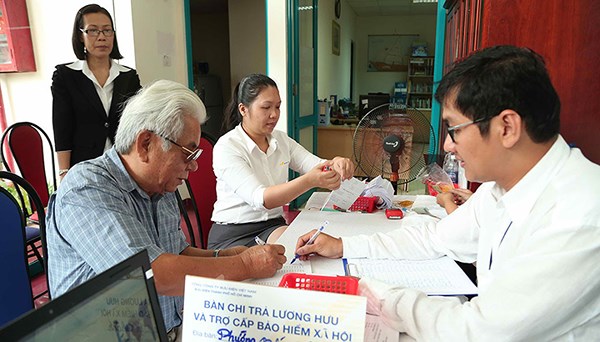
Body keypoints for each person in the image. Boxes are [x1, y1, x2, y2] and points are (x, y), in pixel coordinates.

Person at [294, 46, 600, 340]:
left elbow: (478, 332)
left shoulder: (580, 215)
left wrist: (371, 293)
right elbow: (434, 238)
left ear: (506, 127)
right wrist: (343, 246)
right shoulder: (500, 188)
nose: (447, 147)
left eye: (454, 129)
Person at [46, 80, 286, 336]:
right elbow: (150, 275)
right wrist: (245, 264)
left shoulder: (159, 186)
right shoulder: (86, 188)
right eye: (188, 154)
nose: (193, 167)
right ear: (146, 143)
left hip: (167, 329)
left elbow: (177, 253)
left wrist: (227, 256)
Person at [207, 74, 354, 249]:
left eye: (278, 107)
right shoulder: (228, 147)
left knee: (300, 251)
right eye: (266, 107)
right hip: (233, 233)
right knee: (268, 263)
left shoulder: (280, 140)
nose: (274, 114)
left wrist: (336, 163)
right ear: (243, 109)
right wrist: (309, 181)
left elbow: (314, 164)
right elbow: (261, 199)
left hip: (271, 226)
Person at [51, 4, 142, 179]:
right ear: (80, 36)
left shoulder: (129, 77)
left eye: (107, 30)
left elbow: (137, 123)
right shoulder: (66, 76)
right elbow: (62, 127)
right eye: (92, 31)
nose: (101, 37)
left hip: (124, 164)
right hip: (84, 166)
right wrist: (64, 172)